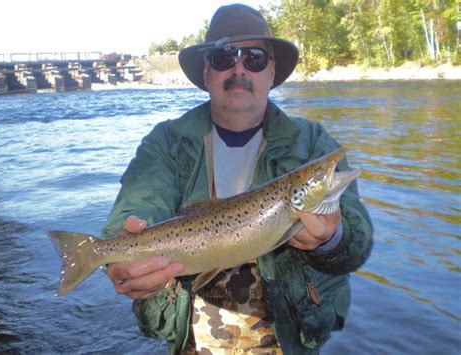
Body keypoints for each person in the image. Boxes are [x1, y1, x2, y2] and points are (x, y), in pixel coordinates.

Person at [102, 3, 373, 354]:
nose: (239, 68)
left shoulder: (312, 144)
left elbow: (358, 242)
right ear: (206, 73)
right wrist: (122, 260)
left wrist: (331, 238)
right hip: (194, 345)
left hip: (289, 343)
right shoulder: (166, 143)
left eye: (255, 58)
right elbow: (136, 211)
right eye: (223, 57)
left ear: (271, 71)